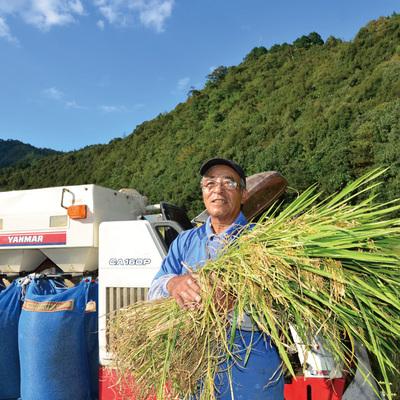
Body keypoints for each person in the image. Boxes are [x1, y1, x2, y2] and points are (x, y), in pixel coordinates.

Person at [148, 158, 284, 400]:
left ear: (243, 194)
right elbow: (153, 292)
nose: (217, 189)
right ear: (203, 193)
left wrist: (235, 304)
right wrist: (173, 284)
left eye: (228, 183)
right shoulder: (185, 241)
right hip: (193, 372)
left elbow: (284, 309)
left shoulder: (264, 242)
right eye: (210, 183)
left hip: (250, 374)